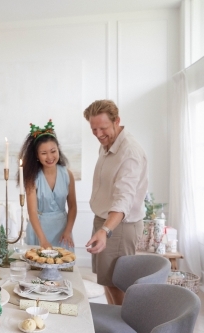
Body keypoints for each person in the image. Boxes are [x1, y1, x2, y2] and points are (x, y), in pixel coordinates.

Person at [84, 99, 148, 305]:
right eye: (94, 130)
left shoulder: (129, 153)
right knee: (106, 281)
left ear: (117, 121)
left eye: (103, 128)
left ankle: (124, 325)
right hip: (105, 221)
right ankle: (115, 322)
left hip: (118, 226)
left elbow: (123, 200)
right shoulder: (106, 145)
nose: (99, 134)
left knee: (118, 284)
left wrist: (105, 231)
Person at [18, 119, 77, 250]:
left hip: (62, 230)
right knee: (36, 267)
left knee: (63, 265)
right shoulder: (32, 178)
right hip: (39, 230)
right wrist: (43, 240)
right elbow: (32, 212)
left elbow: (72, 207)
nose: (50, 157)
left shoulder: (68, 175)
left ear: (58, 150)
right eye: (44, 153)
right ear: (37, 156)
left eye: (53, 151)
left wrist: (68, 231)